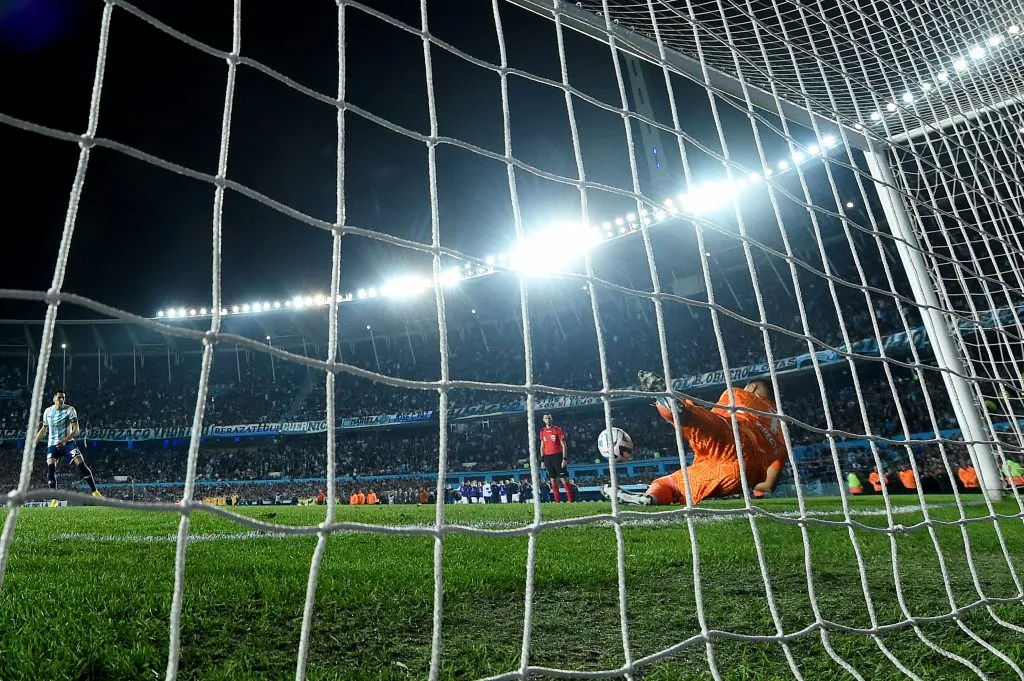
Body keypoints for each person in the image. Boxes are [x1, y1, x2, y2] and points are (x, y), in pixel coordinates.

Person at [604, 371, 786, 506]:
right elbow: (768, 485)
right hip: (742, 476)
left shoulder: (743, 395)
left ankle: (675, 409)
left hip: (736, 439)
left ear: (752, 388)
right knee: (673, 484)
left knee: (698, 424)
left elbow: (717, 422)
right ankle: (649, 499)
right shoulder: (782, 431)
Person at [35, 389, 102, 506]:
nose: (61, 399)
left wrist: (64, 440)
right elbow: (44, 429)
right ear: (54, 399)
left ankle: (95, 492)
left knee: (81, 465)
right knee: (50, 468)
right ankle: (54, 499)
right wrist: (33, 442)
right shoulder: (47, 412)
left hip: (68, 443)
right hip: (53, 444)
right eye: (59, 397)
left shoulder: (70, 410)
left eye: (63, 398)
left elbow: (76, 429)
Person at [539, 413, 574, 502]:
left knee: (563, 478)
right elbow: (542, 446)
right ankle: (557, 501)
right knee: (552, 479)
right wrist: (542, 460)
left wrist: (564, 458)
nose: (548, 420)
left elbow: (564, 445)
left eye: (549, 418)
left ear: (552, 419)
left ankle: (571, 500)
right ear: (543, 420)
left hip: (557, 456)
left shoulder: (557, 430)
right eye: (546, 418)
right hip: (547, 457)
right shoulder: (542, 431)